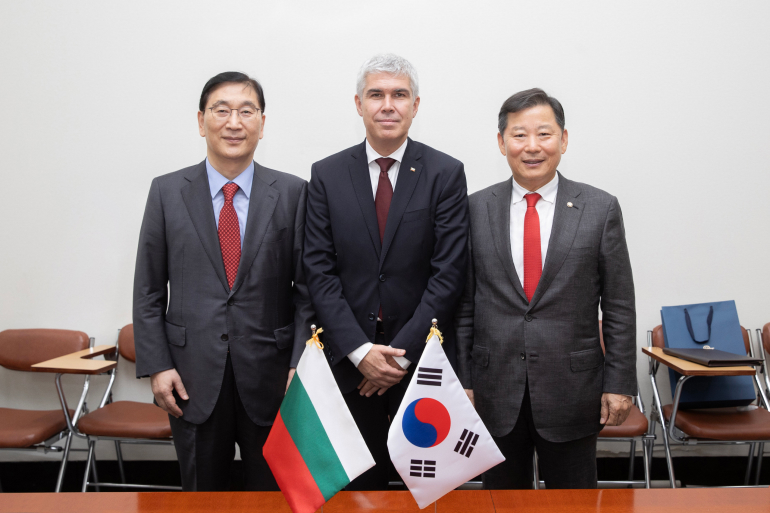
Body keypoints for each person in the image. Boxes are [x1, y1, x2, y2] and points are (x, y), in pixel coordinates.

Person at [133, 71, 313, 491]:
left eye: (246, 111)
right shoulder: (166, 191)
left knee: (274, 494)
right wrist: (158, 365)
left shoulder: (292, 193)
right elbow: (148, 290)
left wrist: (299, 364)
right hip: (190, 377)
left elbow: (307, 292)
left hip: (271, 376)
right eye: (222, 110)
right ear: (201, 121)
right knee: (200, 494)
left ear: (262, 124)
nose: (234, 122)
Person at [456, 88, 636, 489]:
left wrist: (620, 383)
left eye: (544, 134)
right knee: (502, 502)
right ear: (502, 143)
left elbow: (619, 303)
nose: (532, 146)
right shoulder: (474, 208)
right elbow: (464, 305)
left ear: (564, 140)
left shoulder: (599, 207)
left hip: (572, 389)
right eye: (519, 135)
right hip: (494, 389)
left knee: (573, 503)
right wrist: (464, 380)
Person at [303, 54, 469, 490]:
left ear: (416, 105)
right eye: (376, 95)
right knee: (355, 490)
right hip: (348, 367)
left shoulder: (445, 174)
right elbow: (318, 271)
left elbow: (448, 274)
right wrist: (360, 352)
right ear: (359, 104)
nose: (388, 105)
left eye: (399, 95)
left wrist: (396, 355)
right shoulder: (326, 174)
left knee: (426, 492)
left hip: (420, 369)